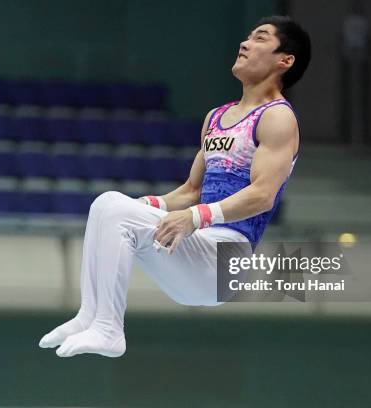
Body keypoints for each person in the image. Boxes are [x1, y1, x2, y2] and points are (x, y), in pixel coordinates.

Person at [39, 15, 311, 358]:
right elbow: (191, 191)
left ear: (284, 61)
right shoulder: (216, 116)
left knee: (112, 206)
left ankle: (108, 329)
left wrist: (195, 218)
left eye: (260, 38)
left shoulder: (277, 117)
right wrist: (147, 205)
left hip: (228, 259)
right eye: (247, 37)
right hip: (196, 256)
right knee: (107, 207)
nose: (244, 44)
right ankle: (90, 316)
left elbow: (262, 195)